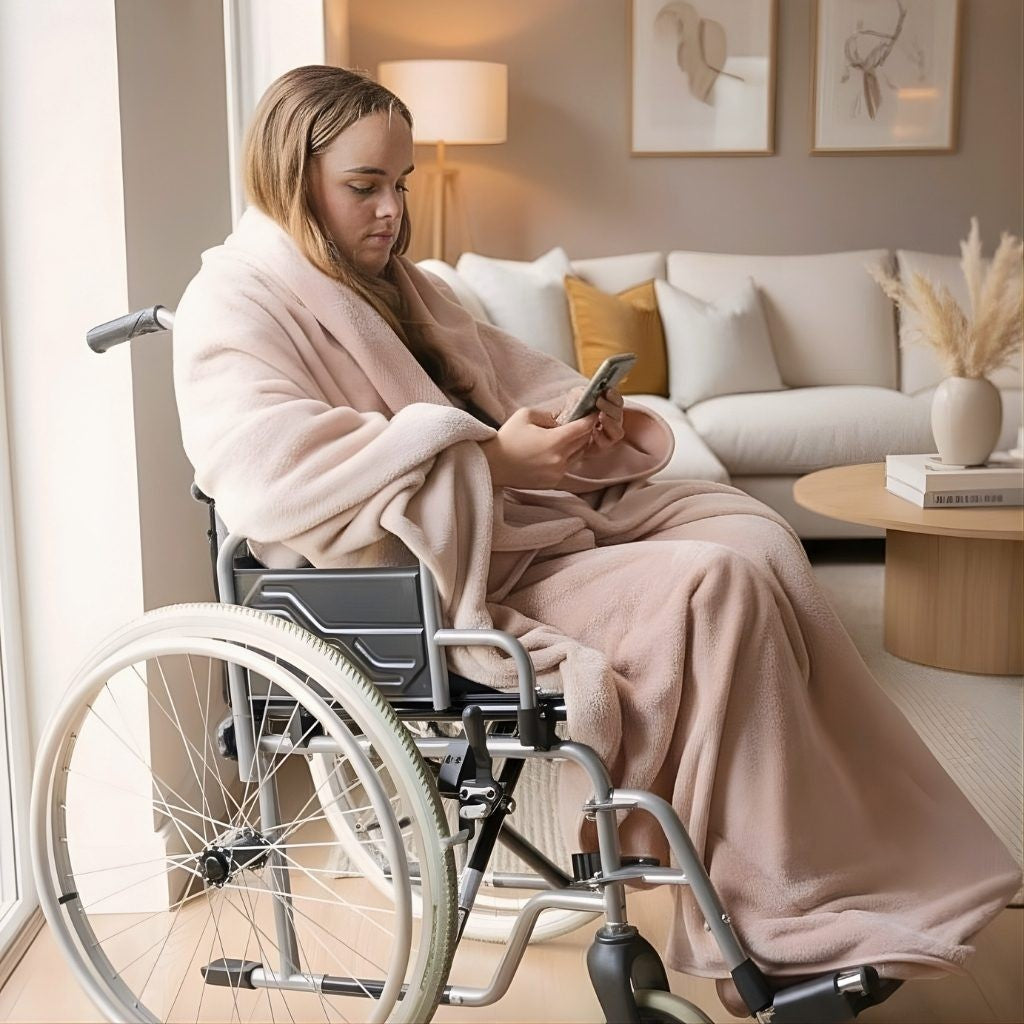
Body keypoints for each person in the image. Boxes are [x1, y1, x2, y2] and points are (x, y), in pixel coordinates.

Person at [172, 65, 1021, 1014]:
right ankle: (769, 924)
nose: (392, 213)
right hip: (444, 581)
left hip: (520, 532)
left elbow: (508, 379)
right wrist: (492, 460)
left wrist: (580, 422)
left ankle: (875, 863)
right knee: (712, 589)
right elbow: (267, 471)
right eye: (364, 186)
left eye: (400, 185)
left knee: (759, 538)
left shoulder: (396, 284)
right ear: (292, 176)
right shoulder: (234, 303)